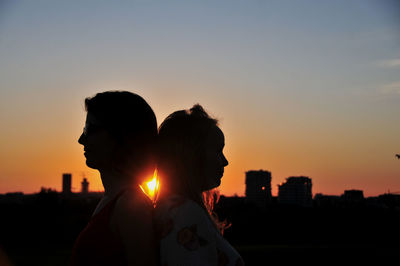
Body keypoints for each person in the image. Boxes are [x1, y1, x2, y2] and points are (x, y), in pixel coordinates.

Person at [71, 91, 158, 266]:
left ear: (121, 135)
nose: (81, 139)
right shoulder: (112, 200)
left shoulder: (131, 206)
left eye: (90, 129)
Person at [154, 104, 244, 266]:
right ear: (191, 156)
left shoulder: (172, 210)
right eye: (218, 150)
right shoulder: (185, 214)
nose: (225, 162)